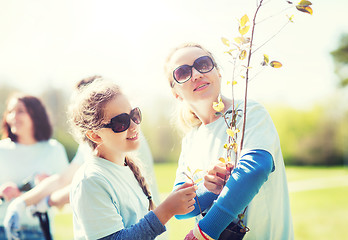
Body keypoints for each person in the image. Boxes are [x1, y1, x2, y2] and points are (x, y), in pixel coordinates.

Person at [164, 43, 294, 240]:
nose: (197, 74)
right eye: (183, 73)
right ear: (176, 93)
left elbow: (255, 169)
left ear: (218, 73)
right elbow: (180, 209)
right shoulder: (190, 141)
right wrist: (207, 189)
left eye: (203, 64)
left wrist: (206, 230)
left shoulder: (249, 112)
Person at [2, 76, 162, 222]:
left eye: (76, 105)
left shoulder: (114, 137)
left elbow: (83, 185)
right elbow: (63, 180)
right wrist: (26, 201)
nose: (73, 110)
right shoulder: (118, 134)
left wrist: (46, 201)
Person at [68, 78, 197, 239]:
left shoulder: (127, 167)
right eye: (120, 123)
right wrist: (166, 210)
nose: (134, 126)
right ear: (95, 135)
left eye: (134, 115)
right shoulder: (90, 181)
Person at [0, 93, 69, 239]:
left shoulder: (54, 149)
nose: (13, 117)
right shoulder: (1, 150)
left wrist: (47, 187)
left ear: (35, 115)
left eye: (20, 111)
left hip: (38, 233)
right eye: (10, 112)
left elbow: (63, 201)